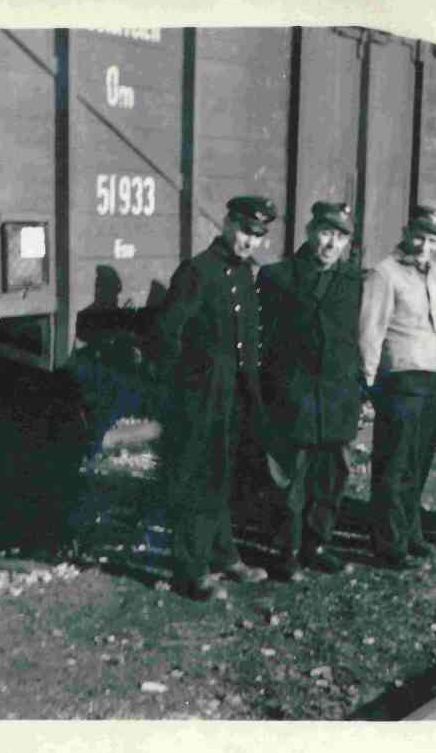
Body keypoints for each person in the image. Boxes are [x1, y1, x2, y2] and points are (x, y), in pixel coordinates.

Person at [155, 195, 275, 601]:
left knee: (225, 475)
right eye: (244, 230)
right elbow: (167, 334)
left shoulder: (244, 274)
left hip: (236, 393)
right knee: (197, 478)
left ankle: (225, 555)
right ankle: (191, 570)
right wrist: (185, 389)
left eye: (258, 235)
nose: (249, 241)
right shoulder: (197, 271)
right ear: (226, 223)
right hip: (201, 394)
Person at [256, 201, 362, 581]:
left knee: (331, 476)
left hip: (338, 397)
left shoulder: (354, 281)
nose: (331, 243)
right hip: (292, 395)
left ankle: (317, 544)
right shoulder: (276, 277)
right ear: (309, 232)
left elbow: (358, 339)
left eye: (340, 236)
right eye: (325, 233)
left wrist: (360, 389)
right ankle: (286, 550)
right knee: (287, 478)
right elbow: (261, 341)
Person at [359, 205, 436, 569]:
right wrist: (367, 383)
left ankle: (410, 533)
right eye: (419, 236)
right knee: (394, 465)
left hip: (432, 379)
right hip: (399, 381)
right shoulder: (384, 274)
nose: (424, 246)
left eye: (433, 240)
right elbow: (370, 331)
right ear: (405, 231)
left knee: (419, 463)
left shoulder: (434, 274)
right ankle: (388, 544)